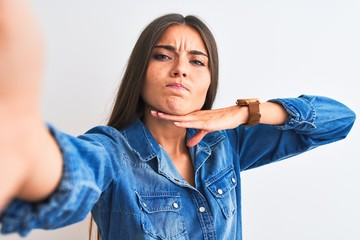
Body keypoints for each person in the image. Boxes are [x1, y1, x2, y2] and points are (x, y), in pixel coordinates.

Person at [0, 1, 356, 239]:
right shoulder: (112, 151)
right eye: (162, 55)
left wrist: (246, 111)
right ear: (141, 71)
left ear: (209, 81)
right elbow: (71, 171)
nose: (180, 69)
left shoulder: (229, 144)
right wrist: (25, 147)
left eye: (197, 61)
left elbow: (339, 119)